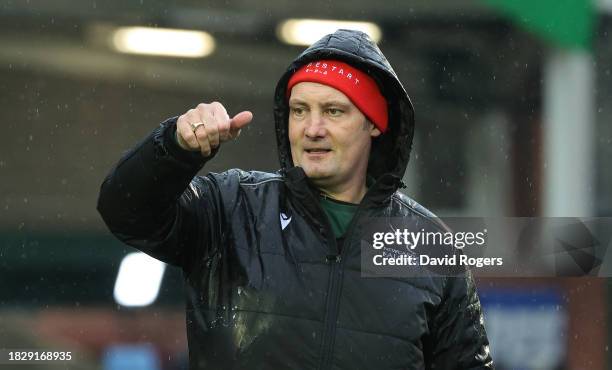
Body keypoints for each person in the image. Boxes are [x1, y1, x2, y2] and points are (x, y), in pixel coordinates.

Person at [97, 29, 494, 369]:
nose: (312, 128)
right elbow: (125, 211)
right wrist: (173, 148)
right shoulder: (232, 206)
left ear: (375, 123)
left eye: (333, 111)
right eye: (299, 110)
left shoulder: (430, 247)